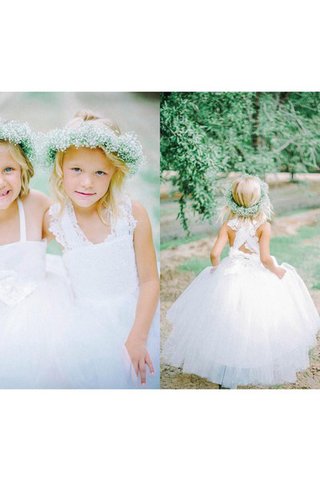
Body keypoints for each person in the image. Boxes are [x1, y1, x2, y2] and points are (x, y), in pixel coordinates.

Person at [162, 174, 320, 388]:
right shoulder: (264, 226)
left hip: (231, 274)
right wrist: (277, 270)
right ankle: (247, 366)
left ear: (233, 199)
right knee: (256, 322)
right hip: (256, 275)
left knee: (227, 321)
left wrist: (217, 270)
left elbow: (214, 254)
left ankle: (226, 376)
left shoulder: (228, 226)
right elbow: (264, 259)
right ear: (260, 199)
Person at [43, 111, 160, 388]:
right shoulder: (55, 219)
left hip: (135, 319)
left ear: (114, 172)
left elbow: (150, 279)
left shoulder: (131, 214)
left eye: (99, 172)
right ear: (60, 168)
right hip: (84, 328)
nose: (87, 182)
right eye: (77, 170)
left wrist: (138, 336)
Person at [0, 119, 72, 388]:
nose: (1, 181)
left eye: (8, 169)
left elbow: (73, 237)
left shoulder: (36, 204)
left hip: (41, 311)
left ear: (23, 170)